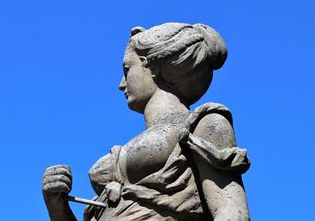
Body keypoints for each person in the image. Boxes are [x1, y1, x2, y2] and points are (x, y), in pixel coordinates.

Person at [42, 22, 251, 221]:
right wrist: (57, 206)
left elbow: (231, 212)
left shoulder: (204, 123)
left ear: (153, 65)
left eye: (127, 70)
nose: (121, 84)